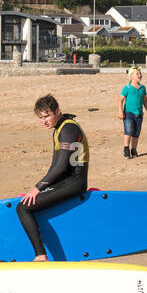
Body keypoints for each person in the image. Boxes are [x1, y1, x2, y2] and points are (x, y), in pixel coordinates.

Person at [17, 94, 89, 262]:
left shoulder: (68, 129)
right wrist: (40, 190)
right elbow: (56, 166)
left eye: (47, 116)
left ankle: (40, 255)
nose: (44, 121)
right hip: (66, 180)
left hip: (74, 182)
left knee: (23, 209)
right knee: (28, 202)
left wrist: (38, 188)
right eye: (41, 118)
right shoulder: (59, 128)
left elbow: (61, 166)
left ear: (58, 111)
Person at [117, 68, 147, 159]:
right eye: (137, 74)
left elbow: (145, 100)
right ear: (131, 77)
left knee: (136, 133)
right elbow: (120, 100)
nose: (139, 75)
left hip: (139, 114)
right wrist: (120, 111)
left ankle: (134, 149)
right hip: (128, 113)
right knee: (128, 131)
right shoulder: (127, 87)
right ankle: (126, 148)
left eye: (140, 73)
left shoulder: (142, 88)